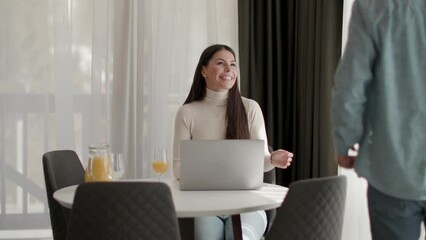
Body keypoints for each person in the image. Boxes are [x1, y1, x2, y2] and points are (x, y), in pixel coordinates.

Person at [173, 44, 294, 240]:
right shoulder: (187, 112)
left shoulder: (250, 108)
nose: (229, 69)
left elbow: (260, 163)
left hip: (247, 205)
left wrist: (272, 159)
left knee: (241, 237)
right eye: (220, 63)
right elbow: (178, 169)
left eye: (233, 64)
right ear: (203, 70)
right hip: (205, 206)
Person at [332, 0, 426, 239]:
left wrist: (345, 142)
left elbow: (351, 86)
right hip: (393, 171)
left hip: (393, 168)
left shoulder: (374, 6)